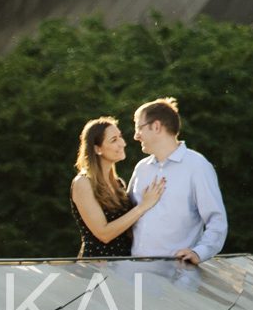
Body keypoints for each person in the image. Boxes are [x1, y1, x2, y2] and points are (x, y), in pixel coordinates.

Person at [128, 97, 227, 266]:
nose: (136, 136)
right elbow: (127, 216)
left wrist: (199, 252)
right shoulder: (141, 168)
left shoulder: (197, 166)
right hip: (135, 275)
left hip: (177, 277)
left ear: (157, 126)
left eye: (139, 128)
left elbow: (216, 220)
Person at [72, 116, 165, 259]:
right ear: (97, 149)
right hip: (96, 269)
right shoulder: (83, 183)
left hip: (124, 267)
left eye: (120, 137)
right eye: (113, 140)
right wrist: (143, 206)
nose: (122, 143)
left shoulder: (119, 184)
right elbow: (104, 234)